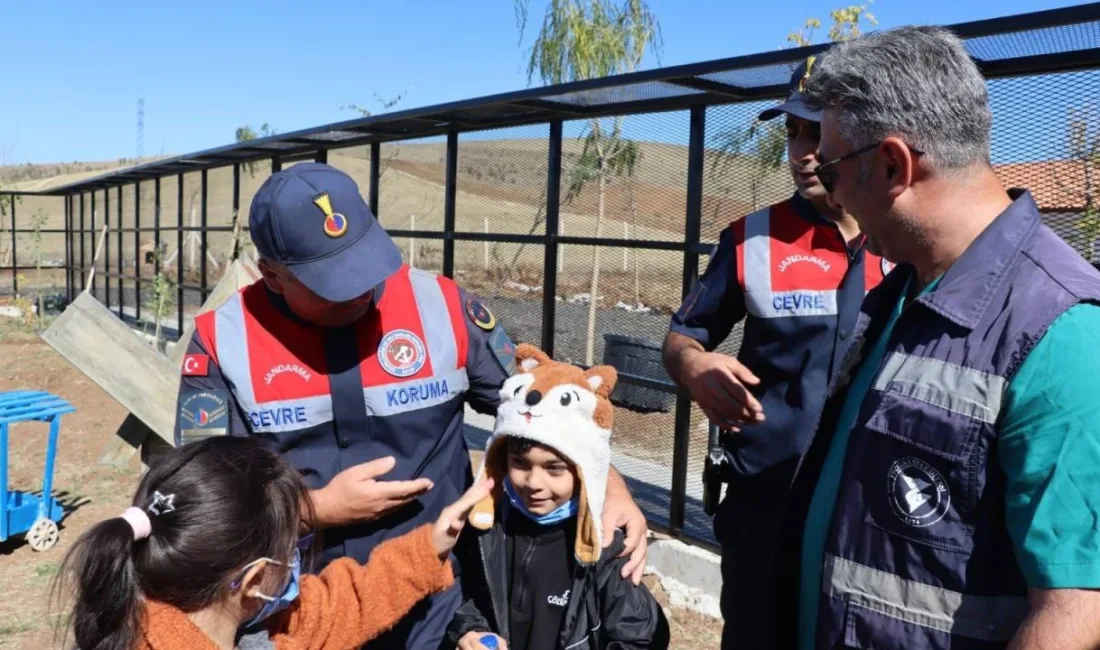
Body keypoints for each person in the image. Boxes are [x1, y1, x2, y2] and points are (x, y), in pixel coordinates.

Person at [172, 162, 648, 649]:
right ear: (272, 275)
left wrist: (609, 486)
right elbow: (195, 503)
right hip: (303, 616)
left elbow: (547, 408)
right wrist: (312, 510)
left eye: (362, 263)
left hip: (442, 604)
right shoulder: (222, 343)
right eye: (332, 283)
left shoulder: (442, 306)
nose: (358, 290)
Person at [766, 25, 1100, 650]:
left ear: (893, 164)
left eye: (834, 170)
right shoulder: (905, 293)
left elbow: (1076, 613)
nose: (829, 191)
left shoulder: (1062, 331)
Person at [660, 57, 891, 648]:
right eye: (792, 131)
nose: (802, 150)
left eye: (817, 131)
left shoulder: (907, 240)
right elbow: (683, 336)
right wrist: (693, 365)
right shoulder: (749, 239)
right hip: (766, 504)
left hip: (872, 513)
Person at [54, 435, 493, 650]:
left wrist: (428, 547)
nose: (297, 560)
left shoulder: (132, 614)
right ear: (255, 580)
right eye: (294, 547)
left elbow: (336, 608)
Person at [447, 344, 670, 650]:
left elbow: (640, 636)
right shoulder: (486, 528)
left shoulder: (604, 549)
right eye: (520, 464)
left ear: (583, 471)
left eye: (554, 469)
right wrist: (469, 629)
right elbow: (458, 589)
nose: (534, 483)